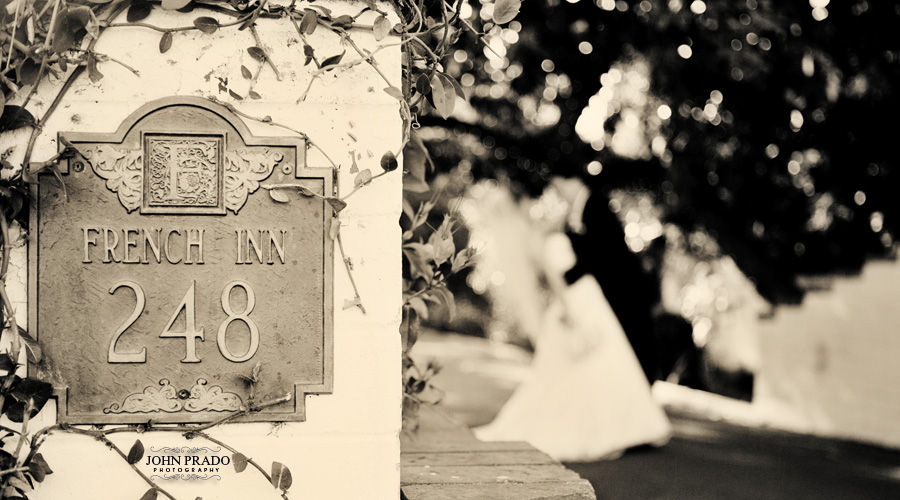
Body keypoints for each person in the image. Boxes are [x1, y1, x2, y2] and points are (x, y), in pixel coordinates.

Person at [474, 179, 671, 462]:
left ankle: (622, 423)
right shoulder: (539, 237)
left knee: (609, 363)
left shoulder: (549, 227)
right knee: (595, 366)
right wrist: (570, 313)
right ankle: (608, 426)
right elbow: (555, 279)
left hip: (589, 298)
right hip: (576, 302)